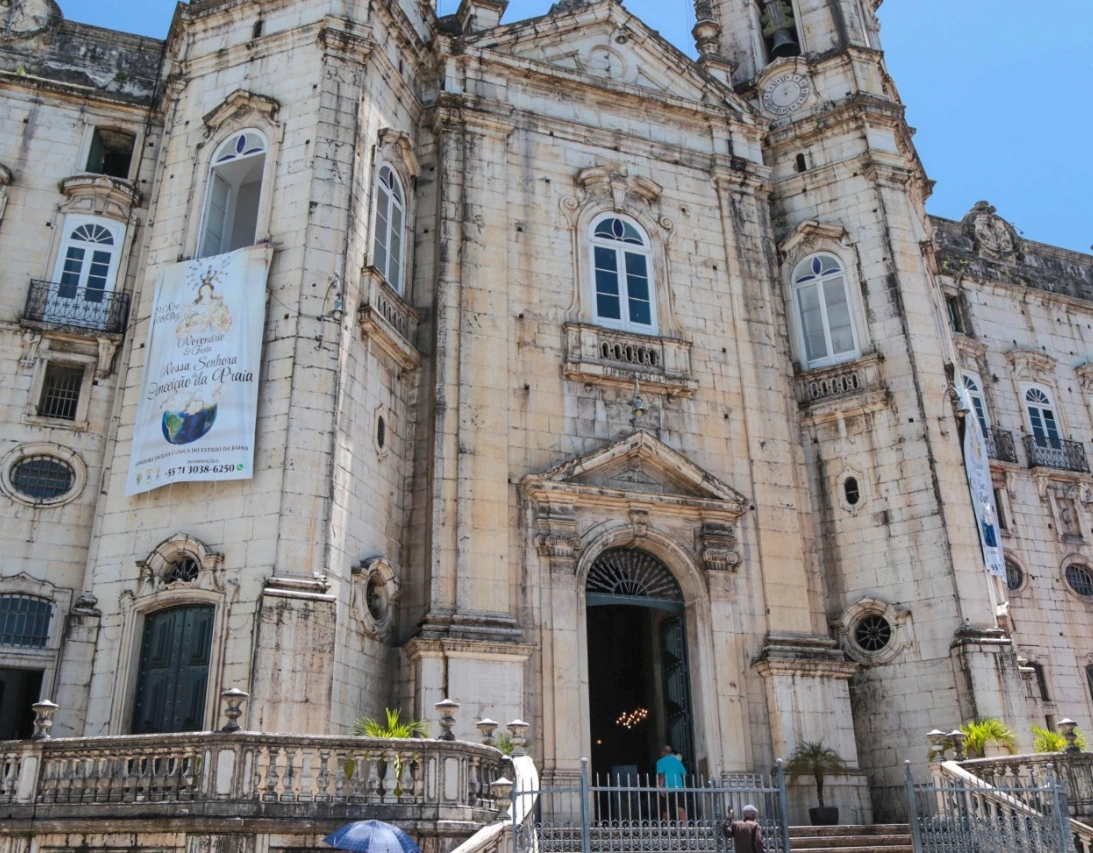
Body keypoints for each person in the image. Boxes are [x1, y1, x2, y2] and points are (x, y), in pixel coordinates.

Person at [655, 744, 688, 824]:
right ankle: (684, 827)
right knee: (680, 808)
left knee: (666, 810)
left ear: (662, 752)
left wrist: (660, 788)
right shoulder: (677, 761)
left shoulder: (660, 762)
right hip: (679, 787)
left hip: (666, 788)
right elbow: (684, 774)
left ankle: (667, 829)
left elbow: (661, 775)